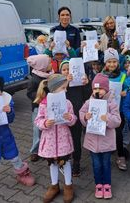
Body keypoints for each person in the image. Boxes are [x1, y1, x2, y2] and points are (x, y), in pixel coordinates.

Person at [34, 74, 77, 203]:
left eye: (66, 88)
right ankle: (54, 186)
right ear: (54, 89)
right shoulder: (43, 104)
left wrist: (70, 118)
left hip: (63, 139)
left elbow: (73, 120)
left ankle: (68, 185)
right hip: (50, 141)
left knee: (66, 162)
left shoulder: (67, 103)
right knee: (52, 164)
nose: (66, 90)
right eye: (63, 88)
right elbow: (38, 120)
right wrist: (45, 123)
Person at [79, 73, 121, 199]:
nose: (98, 91)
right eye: (95, 88)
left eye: (100, 88)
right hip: (92, 142)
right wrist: (85, 117)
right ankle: (98, 184)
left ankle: (107, 184)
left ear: (106, 89)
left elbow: (117, 121)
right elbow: (81, 112)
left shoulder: (111, 103)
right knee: (96, 164)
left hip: (106, 142)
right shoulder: (89, 102)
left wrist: (107, 117)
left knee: (106, 164)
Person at [60, 60, 91, 177]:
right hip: (63, 118)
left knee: (76, 140)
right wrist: (66, 83)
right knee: (64, 140)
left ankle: (76, 162)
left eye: (69, 69)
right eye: (64, 69)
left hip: (76, 117)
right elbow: (57, 96)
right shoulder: (59, 84)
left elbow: (88, 96)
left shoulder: (79, 83)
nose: (67, 71)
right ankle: (64, 160)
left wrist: (87, 83)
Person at [101, 48, 127, 171]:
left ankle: (121, 156)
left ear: (118, 62)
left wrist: (125, 91)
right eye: (109, 62)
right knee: (106, 132)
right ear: (105, 63)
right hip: (104, 110)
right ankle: (107, 152)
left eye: (114, 62)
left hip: (118, 109)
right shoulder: (101, 75)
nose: (112, 64)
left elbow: (129, 86)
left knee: (119, 134)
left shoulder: (122, 75)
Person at [26, 54, 53, 162]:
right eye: (49, 63)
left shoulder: (50, 75)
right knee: (37, 130)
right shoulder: (34, 79)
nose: (51, 65)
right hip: (38, 108)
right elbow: (29, 93)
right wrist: (41, 97)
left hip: (49, 107)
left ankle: (46, 149)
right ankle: (35, 151)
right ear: (43, 66)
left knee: (47, 128)